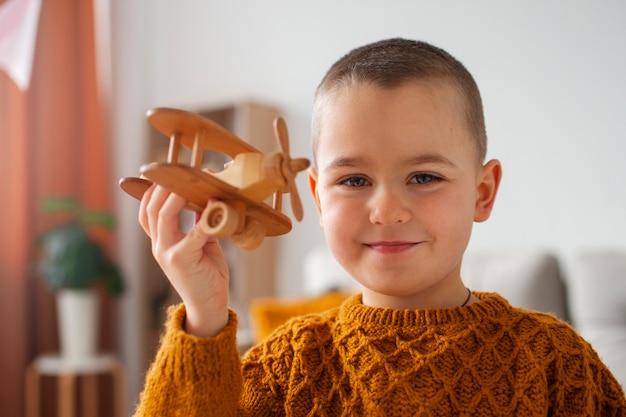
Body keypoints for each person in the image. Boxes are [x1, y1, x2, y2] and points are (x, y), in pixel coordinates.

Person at [133, 38, 626, 416]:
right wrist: (203, 318)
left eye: (424, 177)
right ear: (318, 198)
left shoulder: (556, 362)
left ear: (483, 192)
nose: (386, 210)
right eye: (354, 179)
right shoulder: (289, 365)